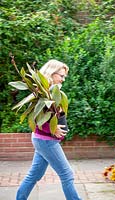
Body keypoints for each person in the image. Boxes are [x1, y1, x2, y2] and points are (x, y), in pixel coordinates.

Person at [16, 59, 82, 200]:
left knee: (34, 175)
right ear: (51, 73)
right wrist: (52, 129)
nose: (63, 79)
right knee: (67, 174)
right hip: (47, 141)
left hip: (44, 141)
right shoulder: (41, 94)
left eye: (65, 76)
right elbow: (36, 120)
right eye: (61, 75)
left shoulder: (52, 92)